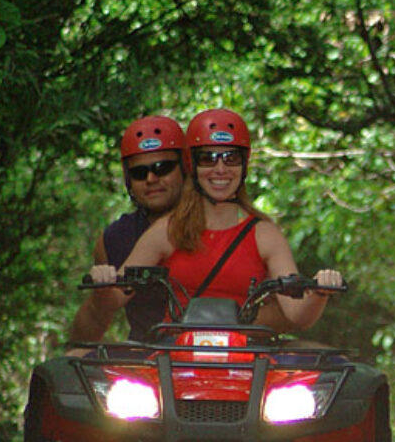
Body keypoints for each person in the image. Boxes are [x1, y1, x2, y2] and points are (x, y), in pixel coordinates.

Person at [83, 108, 341, 331]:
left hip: (245, 362)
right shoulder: (168, 230)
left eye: (231, 158)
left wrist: (320, 292)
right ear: (192, 165)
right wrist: (104, 282)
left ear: (244, 165)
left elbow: (297, 314)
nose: (220, 169)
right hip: (174, 359)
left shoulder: (264, 234)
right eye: (208, 158)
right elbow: (114, 299)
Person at [69, 115, 187, 342]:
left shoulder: (216, 223)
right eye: (139, 173)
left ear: (184, 169)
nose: (151, 179)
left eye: (163, 168)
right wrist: (101, 293)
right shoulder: (117, 238)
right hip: (147, 361)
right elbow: (92, 323)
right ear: (128, 180)